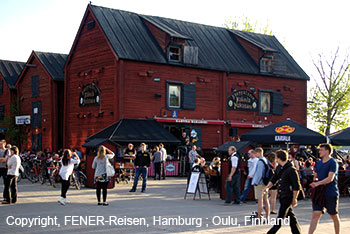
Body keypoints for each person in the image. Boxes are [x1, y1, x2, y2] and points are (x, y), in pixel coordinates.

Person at [264, 150, 302, 234]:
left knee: (280, 219)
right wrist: (267, 188)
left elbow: (296, 186)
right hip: (282, 195)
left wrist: (295, 198)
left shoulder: (291, 169)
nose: (275, 159)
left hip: (288, 196)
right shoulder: (279, 167)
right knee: (291, 218)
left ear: (279, 158)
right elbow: (274, 178)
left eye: (276, 158)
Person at [308, 143, 341, 234]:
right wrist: (315, 181)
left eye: (321, 150)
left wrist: (318, 183)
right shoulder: (318, 163)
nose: (319, 152)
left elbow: (330, 178)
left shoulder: (333, 162)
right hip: (319, 192)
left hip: (330, 192)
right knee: (316, 214)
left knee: (333, 215)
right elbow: (316, 176)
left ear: (327, 151)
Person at [251, 147, 270, 219]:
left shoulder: (260, 161)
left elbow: (259, 174)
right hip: (265, 183)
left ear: (259, 153)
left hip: (260, 183)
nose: (255, 155)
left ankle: (259, 217)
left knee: (260, 201)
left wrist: (255, 182)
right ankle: (267, 217)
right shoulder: (266, 160)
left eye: (255, 153)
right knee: (266, 200)